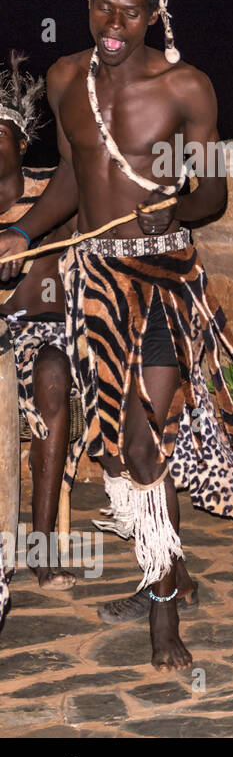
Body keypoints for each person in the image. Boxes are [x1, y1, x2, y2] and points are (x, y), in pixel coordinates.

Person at [0, 0, 233, 670]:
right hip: (94, 283)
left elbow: (214, 193)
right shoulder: (67, 80)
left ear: (156, 14)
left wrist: (174, 211)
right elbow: (70, 176)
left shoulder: (185, 86)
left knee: (143, 443)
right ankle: (168, 572)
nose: (114, 24)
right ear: (88, 2)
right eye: (103, 6)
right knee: (127, 450)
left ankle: (163, 619)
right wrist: (25, 231)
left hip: (158, 281)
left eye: (131, 11)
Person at [0, 52, 82, 590]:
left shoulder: (53, 193)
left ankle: (42, 546)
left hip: (47, 333)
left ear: (22, 144)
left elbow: (96, 184)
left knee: (55, 372)